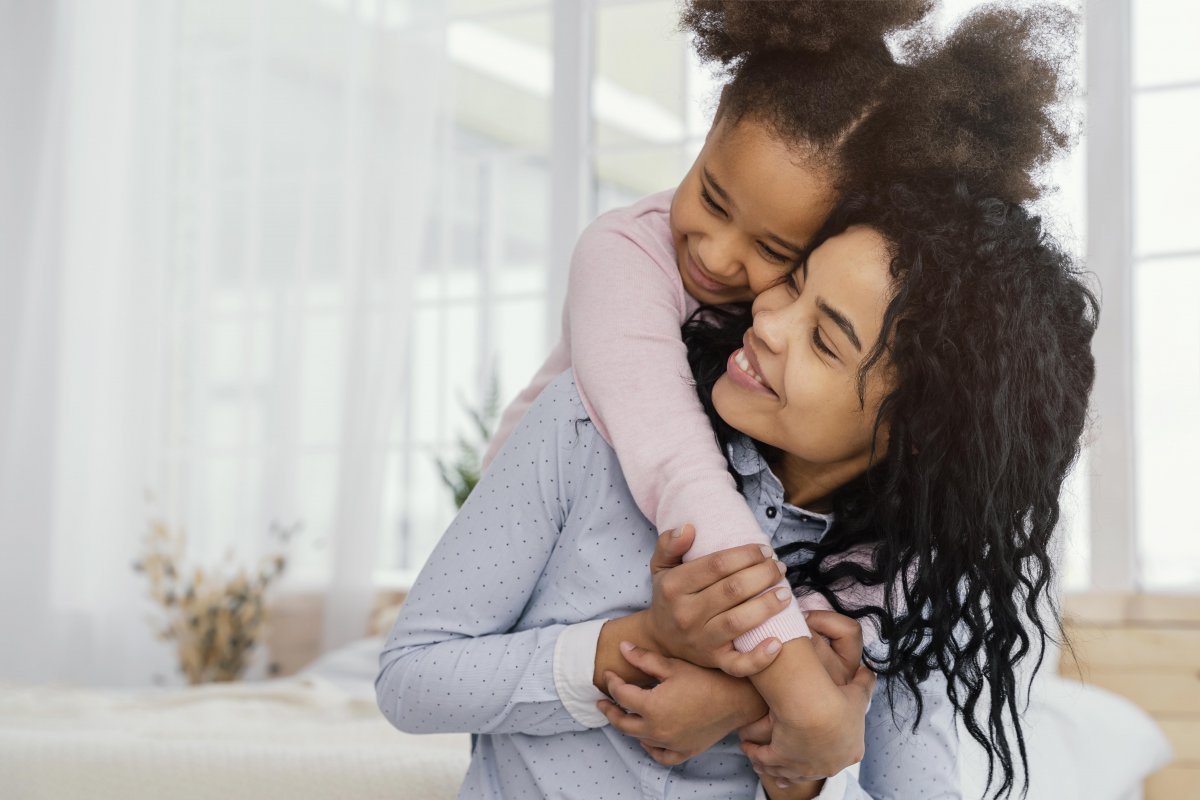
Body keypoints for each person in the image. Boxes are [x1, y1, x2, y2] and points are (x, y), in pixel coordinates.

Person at [376, 178, 1098, 799]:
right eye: (794, 280)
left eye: (825, 340)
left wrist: (802, 778)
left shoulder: (912, 584)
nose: (769, 322)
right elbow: (413, 679)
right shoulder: (588, 428)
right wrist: (639, 646)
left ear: (917, 431)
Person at [480, 0, 1077, 657]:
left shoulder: (800, 326)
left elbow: (892, 566)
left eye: (774, 251)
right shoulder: (624, 254)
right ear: (707, 134)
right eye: (710, 196)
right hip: (523, 559)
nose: (714, 256)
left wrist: (829, 673)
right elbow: (671, 456)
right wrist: (785, 662)